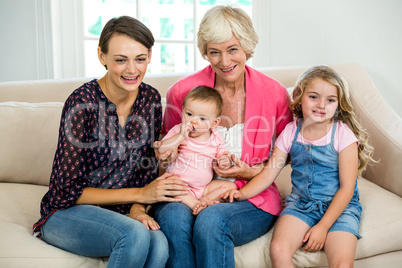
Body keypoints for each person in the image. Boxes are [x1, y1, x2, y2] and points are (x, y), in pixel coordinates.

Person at [32, 16, 189, 268]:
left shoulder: (150, 99)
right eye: (120, 60)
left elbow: (144, 172)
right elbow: (66, 191)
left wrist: (138, 207)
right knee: (134, 234)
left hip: (121, 212)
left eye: (140, 58)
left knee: (159, 245)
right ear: (101, 56)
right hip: (65, 213)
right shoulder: (81, 103)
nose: (132, 70)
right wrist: (140, 194)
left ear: (150, 55)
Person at [153, 5, 293, 267]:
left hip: (249, 195)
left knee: (211, 221)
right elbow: (166, 148)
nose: (225, 61)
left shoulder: (275, 94)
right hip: (186, 189)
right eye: (214, 52)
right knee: (172, 218)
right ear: (205, 52)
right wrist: (167, 154)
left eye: (232, 49)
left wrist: (248, 173)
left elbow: (286, 155)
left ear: (248, 47)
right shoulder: (182, 91)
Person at [223, 65, 376, 267]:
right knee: (278, 250)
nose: (321, 105)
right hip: (301, 205)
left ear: (338, 104)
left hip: (341, 208)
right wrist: (240, 194)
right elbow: (268, 174)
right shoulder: (290, 132)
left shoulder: (342, 135)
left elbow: (347, 189)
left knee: (342, 263)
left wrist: (322, 227)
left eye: (330, 100)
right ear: (299, 96)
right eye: (313, 97)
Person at [158, 85, 236, 215]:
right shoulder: (178, 130)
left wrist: (225, 161)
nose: (193, 121)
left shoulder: (216, 137)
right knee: (169, 183)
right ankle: (195, 204)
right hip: (179, 185)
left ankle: (205, 201)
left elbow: (222, 156)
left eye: (202, 118)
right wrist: (181, 136)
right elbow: (162, 149)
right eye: (189, 114)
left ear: (214, 123)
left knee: (230, 186)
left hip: (202, 188)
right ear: (182, 111)